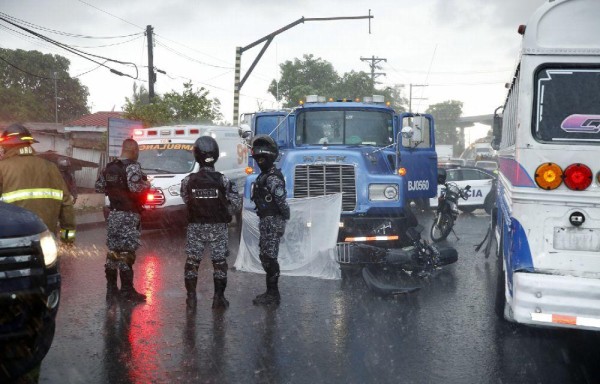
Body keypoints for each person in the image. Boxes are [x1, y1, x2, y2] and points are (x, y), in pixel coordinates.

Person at [180, 136, 242, 310]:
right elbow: (235, 204)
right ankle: (218, 298)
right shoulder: (223, 180)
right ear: (215, 156)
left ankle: (191, 298)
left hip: (195, 226)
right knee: (219, 262)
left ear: (196, 156)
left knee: (192, 261)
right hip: (217, 226)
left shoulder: (188, 180)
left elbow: (186, 199)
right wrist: (222, 212)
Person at [95, 138, 150, 302]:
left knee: (113, 252)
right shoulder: (132, 167)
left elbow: (98, 187)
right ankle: (127, 290)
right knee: (126, 252)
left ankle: (111, 291)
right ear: (133, 150)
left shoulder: (109, 167)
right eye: (137, 151)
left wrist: (114, 190)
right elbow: (135, 188)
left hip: (114, 214)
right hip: (129, 214)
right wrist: (146, 185)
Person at [0, 123, 76, 242]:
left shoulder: (2, 168)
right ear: (30, 144)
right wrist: (67, 241)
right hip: (47, 241)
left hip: (11, 242)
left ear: (6, 146)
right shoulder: (51, 167)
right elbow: (66, 205)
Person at [250, 135, 290, 306]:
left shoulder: (272, 177)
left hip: (272, 221)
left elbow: (281, 201)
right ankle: (270, 292)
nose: (259, 161)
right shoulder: (264, 176)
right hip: (267, 221)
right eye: (257, 158)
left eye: (262, 158)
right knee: (265, 256)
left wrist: (283, 218)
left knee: (270, 257)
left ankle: (273, 294)